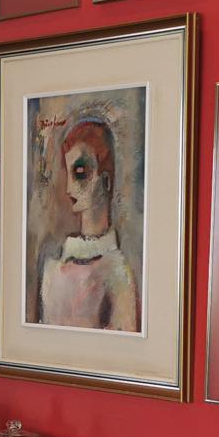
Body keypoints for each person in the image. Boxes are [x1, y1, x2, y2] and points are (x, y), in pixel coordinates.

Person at [36, 119, 139, 332]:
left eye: (80, 173)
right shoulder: (52, 266)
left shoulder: (117, 272)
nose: (69, 188)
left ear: (106, 181)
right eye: (68, 173)